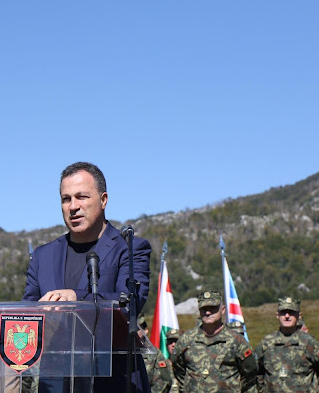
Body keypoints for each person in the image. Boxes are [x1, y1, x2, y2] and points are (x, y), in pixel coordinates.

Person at [22, 162, 152, 392]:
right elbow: (27, 312)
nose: (73, 206)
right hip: (55, 382)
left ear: (103, 200)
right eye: (66, 199)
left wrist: (77, 297)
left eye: (82, 197)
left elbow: (130, 303)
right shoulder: (43, 256)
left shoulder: (130, 248)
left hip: (114, 381)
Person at [171, 290, 257, 392]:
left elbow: (250, 373)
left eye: (213, 308)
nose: (208, 312)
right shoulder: (186, 340)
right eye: (204, 309)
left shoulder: (237, 341)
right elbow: (178, 369)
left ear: (223, 309)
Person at [255, 296, 319, 392]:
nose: (287, 316)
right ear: (277, 315)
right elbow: (255, 372)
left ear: (299, 316)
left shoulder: (309, 343)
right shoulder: (266, 343)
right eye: (283, 312)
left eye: (291, 312)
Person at [138, 313, 174, 393]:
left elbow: (164, 380)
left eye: (138, 328)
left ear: (145, 330)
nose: (134, 331)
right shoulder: (120, 351)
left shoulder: (154, 353)